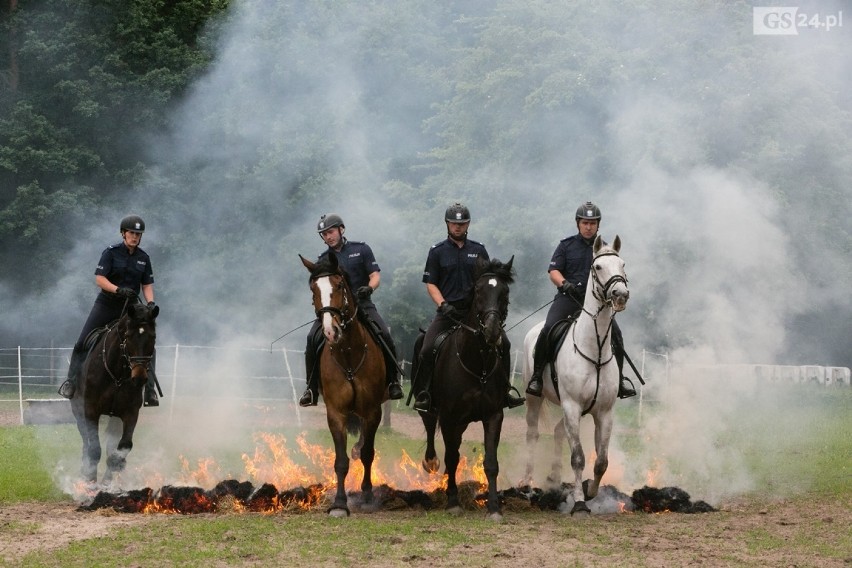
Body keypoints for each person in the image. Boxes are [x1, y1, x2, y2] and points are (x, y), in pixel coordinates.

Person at [411, 203, 525, 413]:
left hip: (476, 313)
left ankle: (504, 392)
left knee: (505, 344)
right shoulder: (437, 252)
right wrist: (443, 304)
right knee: (426, 347)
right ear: (447, 224)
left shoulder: (478, 250)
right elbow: (431, 283)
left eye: (462, 223)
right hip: (448, 313)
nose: (457, 227)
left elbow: (489, 280)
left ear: (468, 224)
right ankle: (425, 394)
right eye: (454, 223)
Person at [524, 201, 637, 399]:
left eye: (593, 223)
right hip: (568, 299)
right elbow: (553, 271)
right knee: (548, 328)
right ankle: (537, 377)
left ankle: (619, 382)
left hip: (597, 304)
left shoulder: (606, 249)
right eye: (585, 222)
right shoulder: (566, 245)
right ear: (578, 223)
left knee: (616, 335)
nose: (589, 226)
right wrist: (564, 283)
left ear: (598, 225)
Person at [299, 213, 405, 407]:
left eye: (330, 232)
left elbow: (375, 275)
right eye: (323, 234)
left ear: (341, 229)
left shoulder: (361, 249)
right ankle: (311, 389)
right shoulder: (323, 260)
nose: (328, 237)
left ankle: (393, 382)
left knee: (384, 334)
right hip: (334, 310)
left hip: (362, 306)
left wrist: (369, 288)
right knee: (311, 339)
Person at [58, 215, 160, 406]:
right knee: (82, 342)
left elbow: (146, 284)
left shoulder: (143, 258)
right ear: (123, 233)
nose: (135, 236)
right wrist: (117, 289)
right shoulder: (111, 253)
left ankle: (150, 391)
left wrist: (151, 302)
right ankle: (71, 382)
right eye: (132, 233)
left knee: (147, 345)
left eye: (138, 234)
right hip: (107, 304)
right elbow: (100, 279)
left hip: (130, 310)